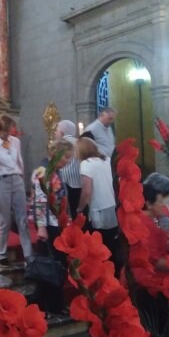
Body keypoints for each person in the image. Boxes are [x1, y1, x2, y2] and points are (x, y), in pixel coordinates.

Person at [0, 114, 33, 268]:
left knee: (22, 219)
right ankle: (2, 254)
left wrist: (21, 177)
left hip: (16, 180)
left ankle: (29, 254)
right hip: (0, 182)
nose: (7, 133)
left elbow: (19, 162)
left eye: (9, 130)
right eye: (4, 131)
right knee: (5, 221)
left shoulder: (15, 141)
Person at [31, 139, 74, 314]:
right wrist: (41, 227)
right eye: (66, 157)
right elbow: (40, 201)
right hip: (49, 225)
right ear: (55, 154)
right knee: (50, 266)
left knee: (59, 265)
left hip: (58, 223)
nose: (68, 161)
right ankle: (46, 305)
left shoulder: (56, 170)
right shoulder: (43, 171)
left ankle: (55, 304)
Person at [76, 137, 120, 273]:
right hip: (113, 205)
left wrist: (80, 208)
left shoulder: (86, 164)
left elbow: (87, 190)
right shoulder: (106, 160)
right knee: (114, 245)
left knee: (102, 247)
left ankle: (105, 274)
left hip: (99, 208)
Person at [54, 120, 82, 218]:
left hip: (64, 182)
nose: (55, 133)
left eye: (56, 131)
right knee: (77, 212)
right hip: (80, 182)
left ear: (62, 132)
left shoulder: (61, 144)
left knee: (65, 212)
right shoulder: (80, 143)